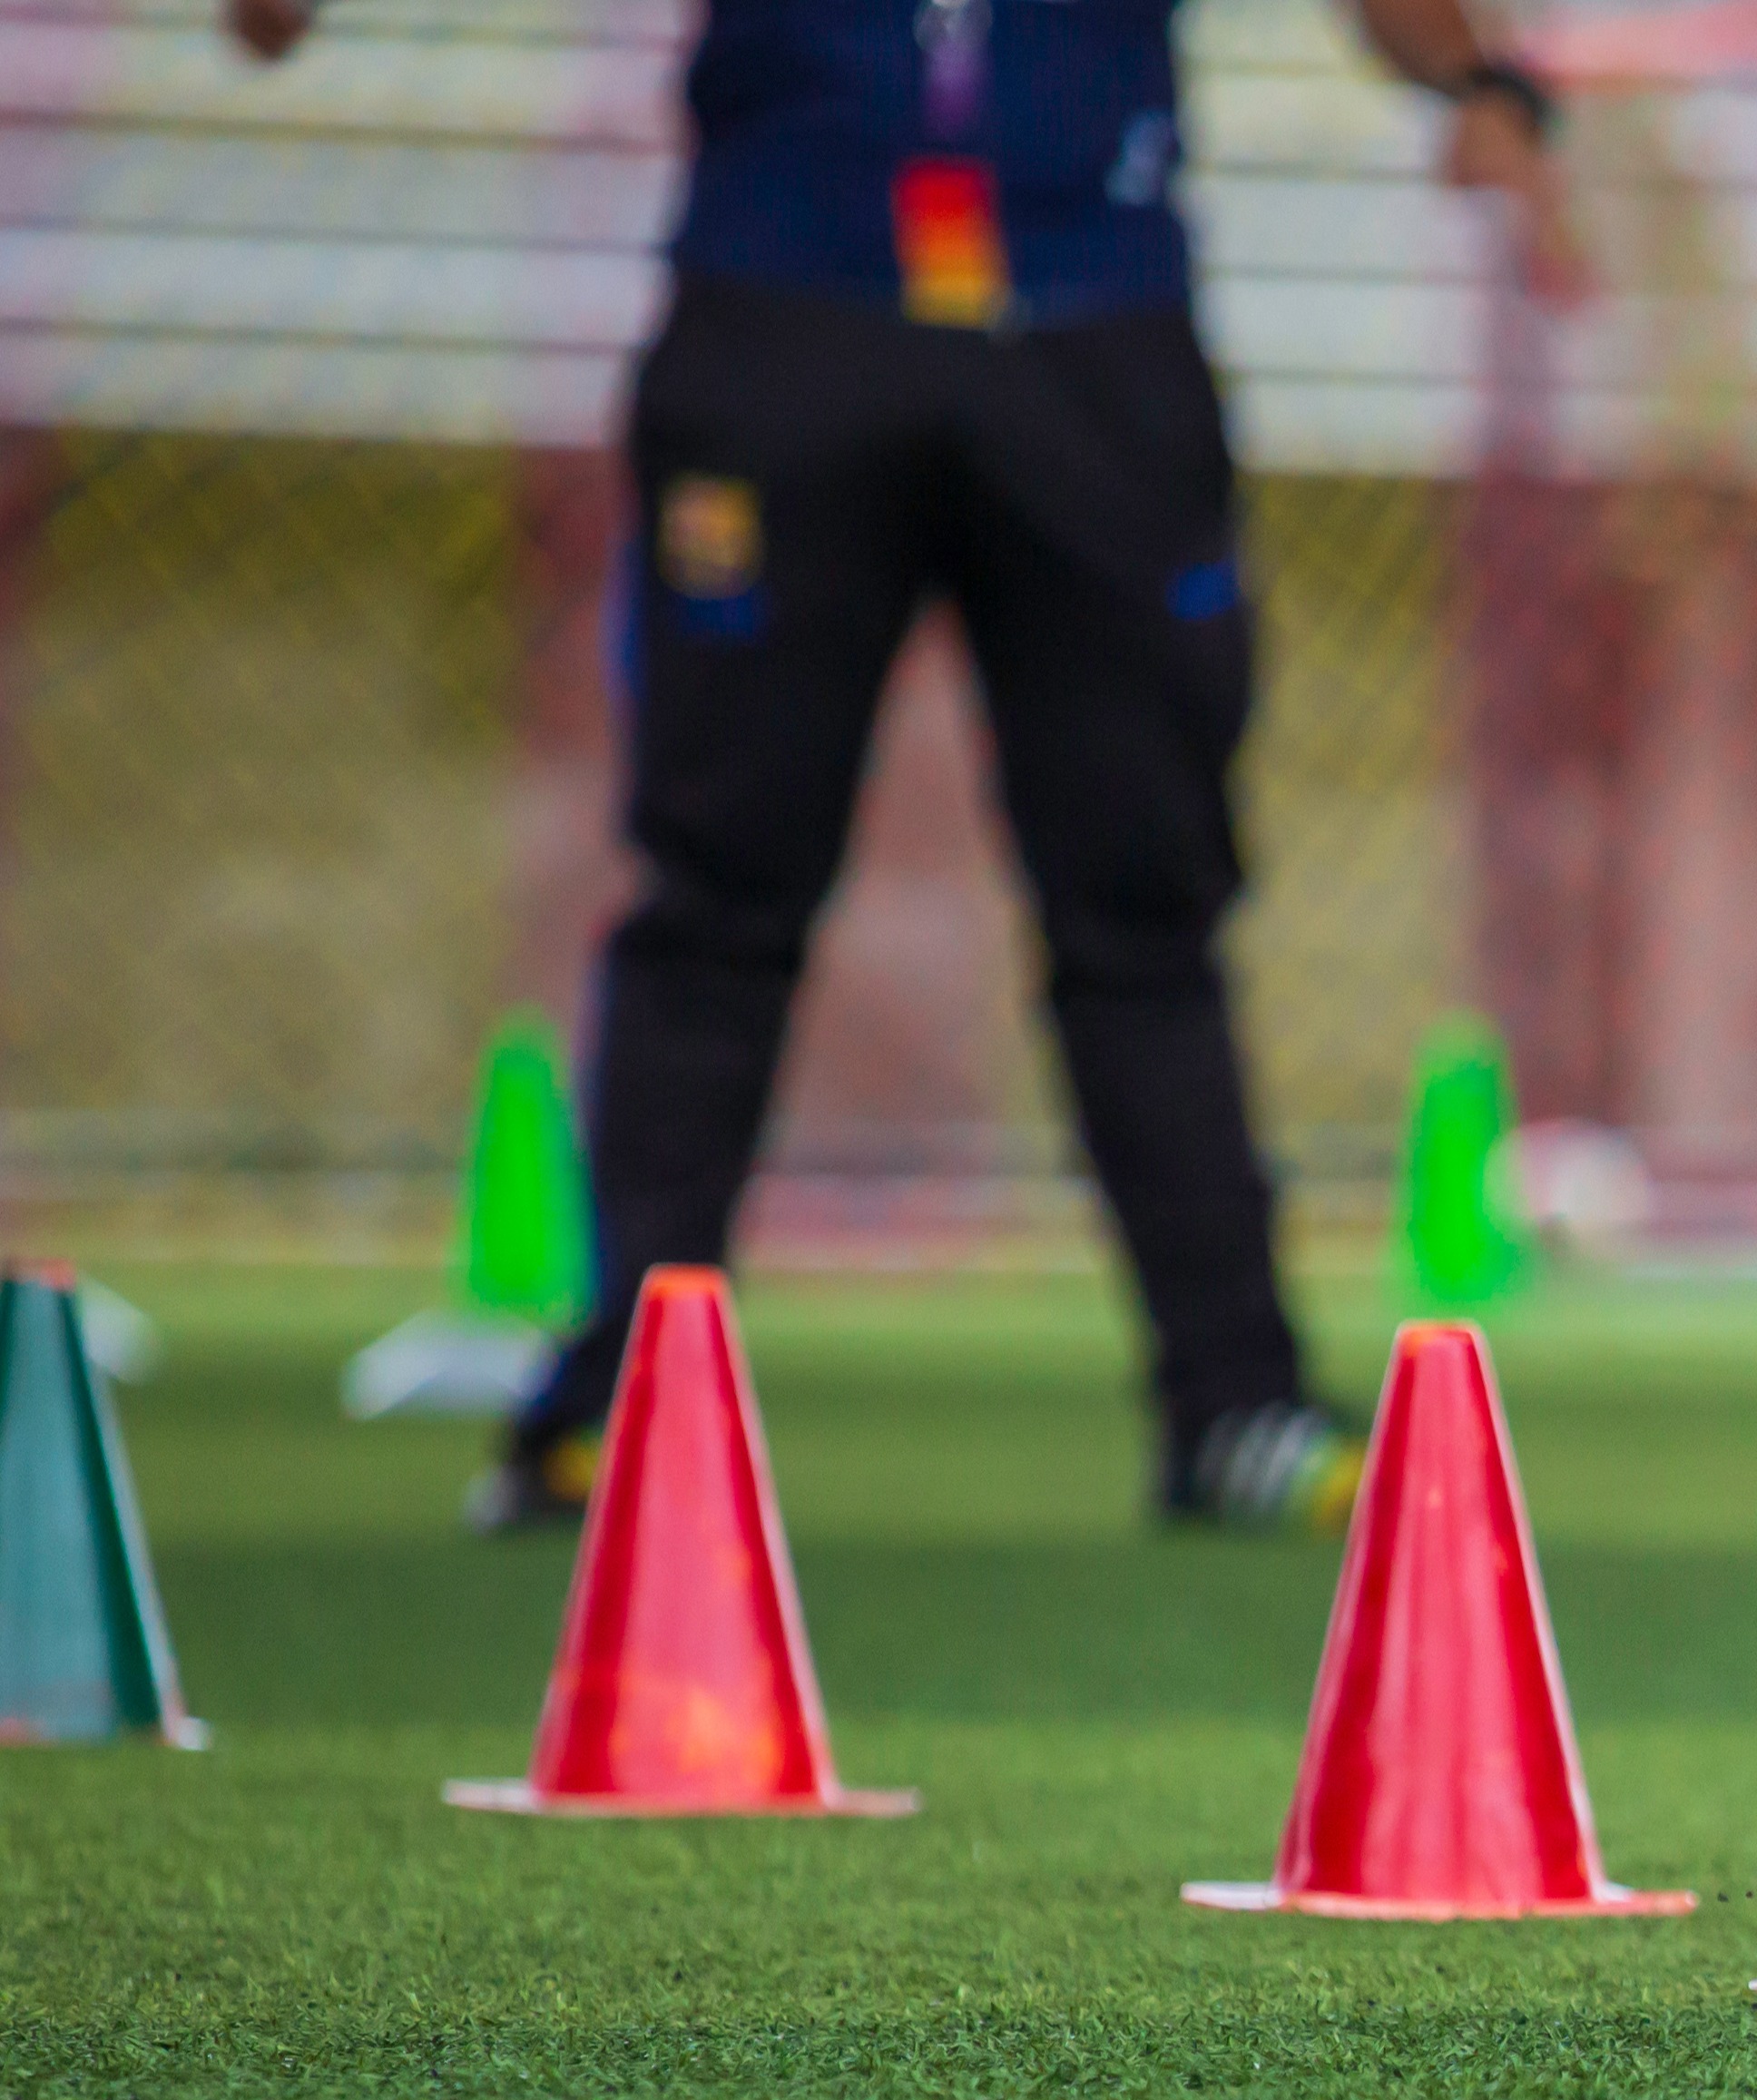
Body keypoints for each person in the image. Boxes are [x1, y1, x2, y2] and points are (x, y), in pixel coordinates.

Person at [226, 0, 1580, 1536]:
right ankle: (618, 1407)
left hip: (1087, 318)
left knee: (1141, 901)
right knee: (719, 886)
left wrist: (1482, 79)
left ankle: (1235, 1403)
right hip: (789, 305)